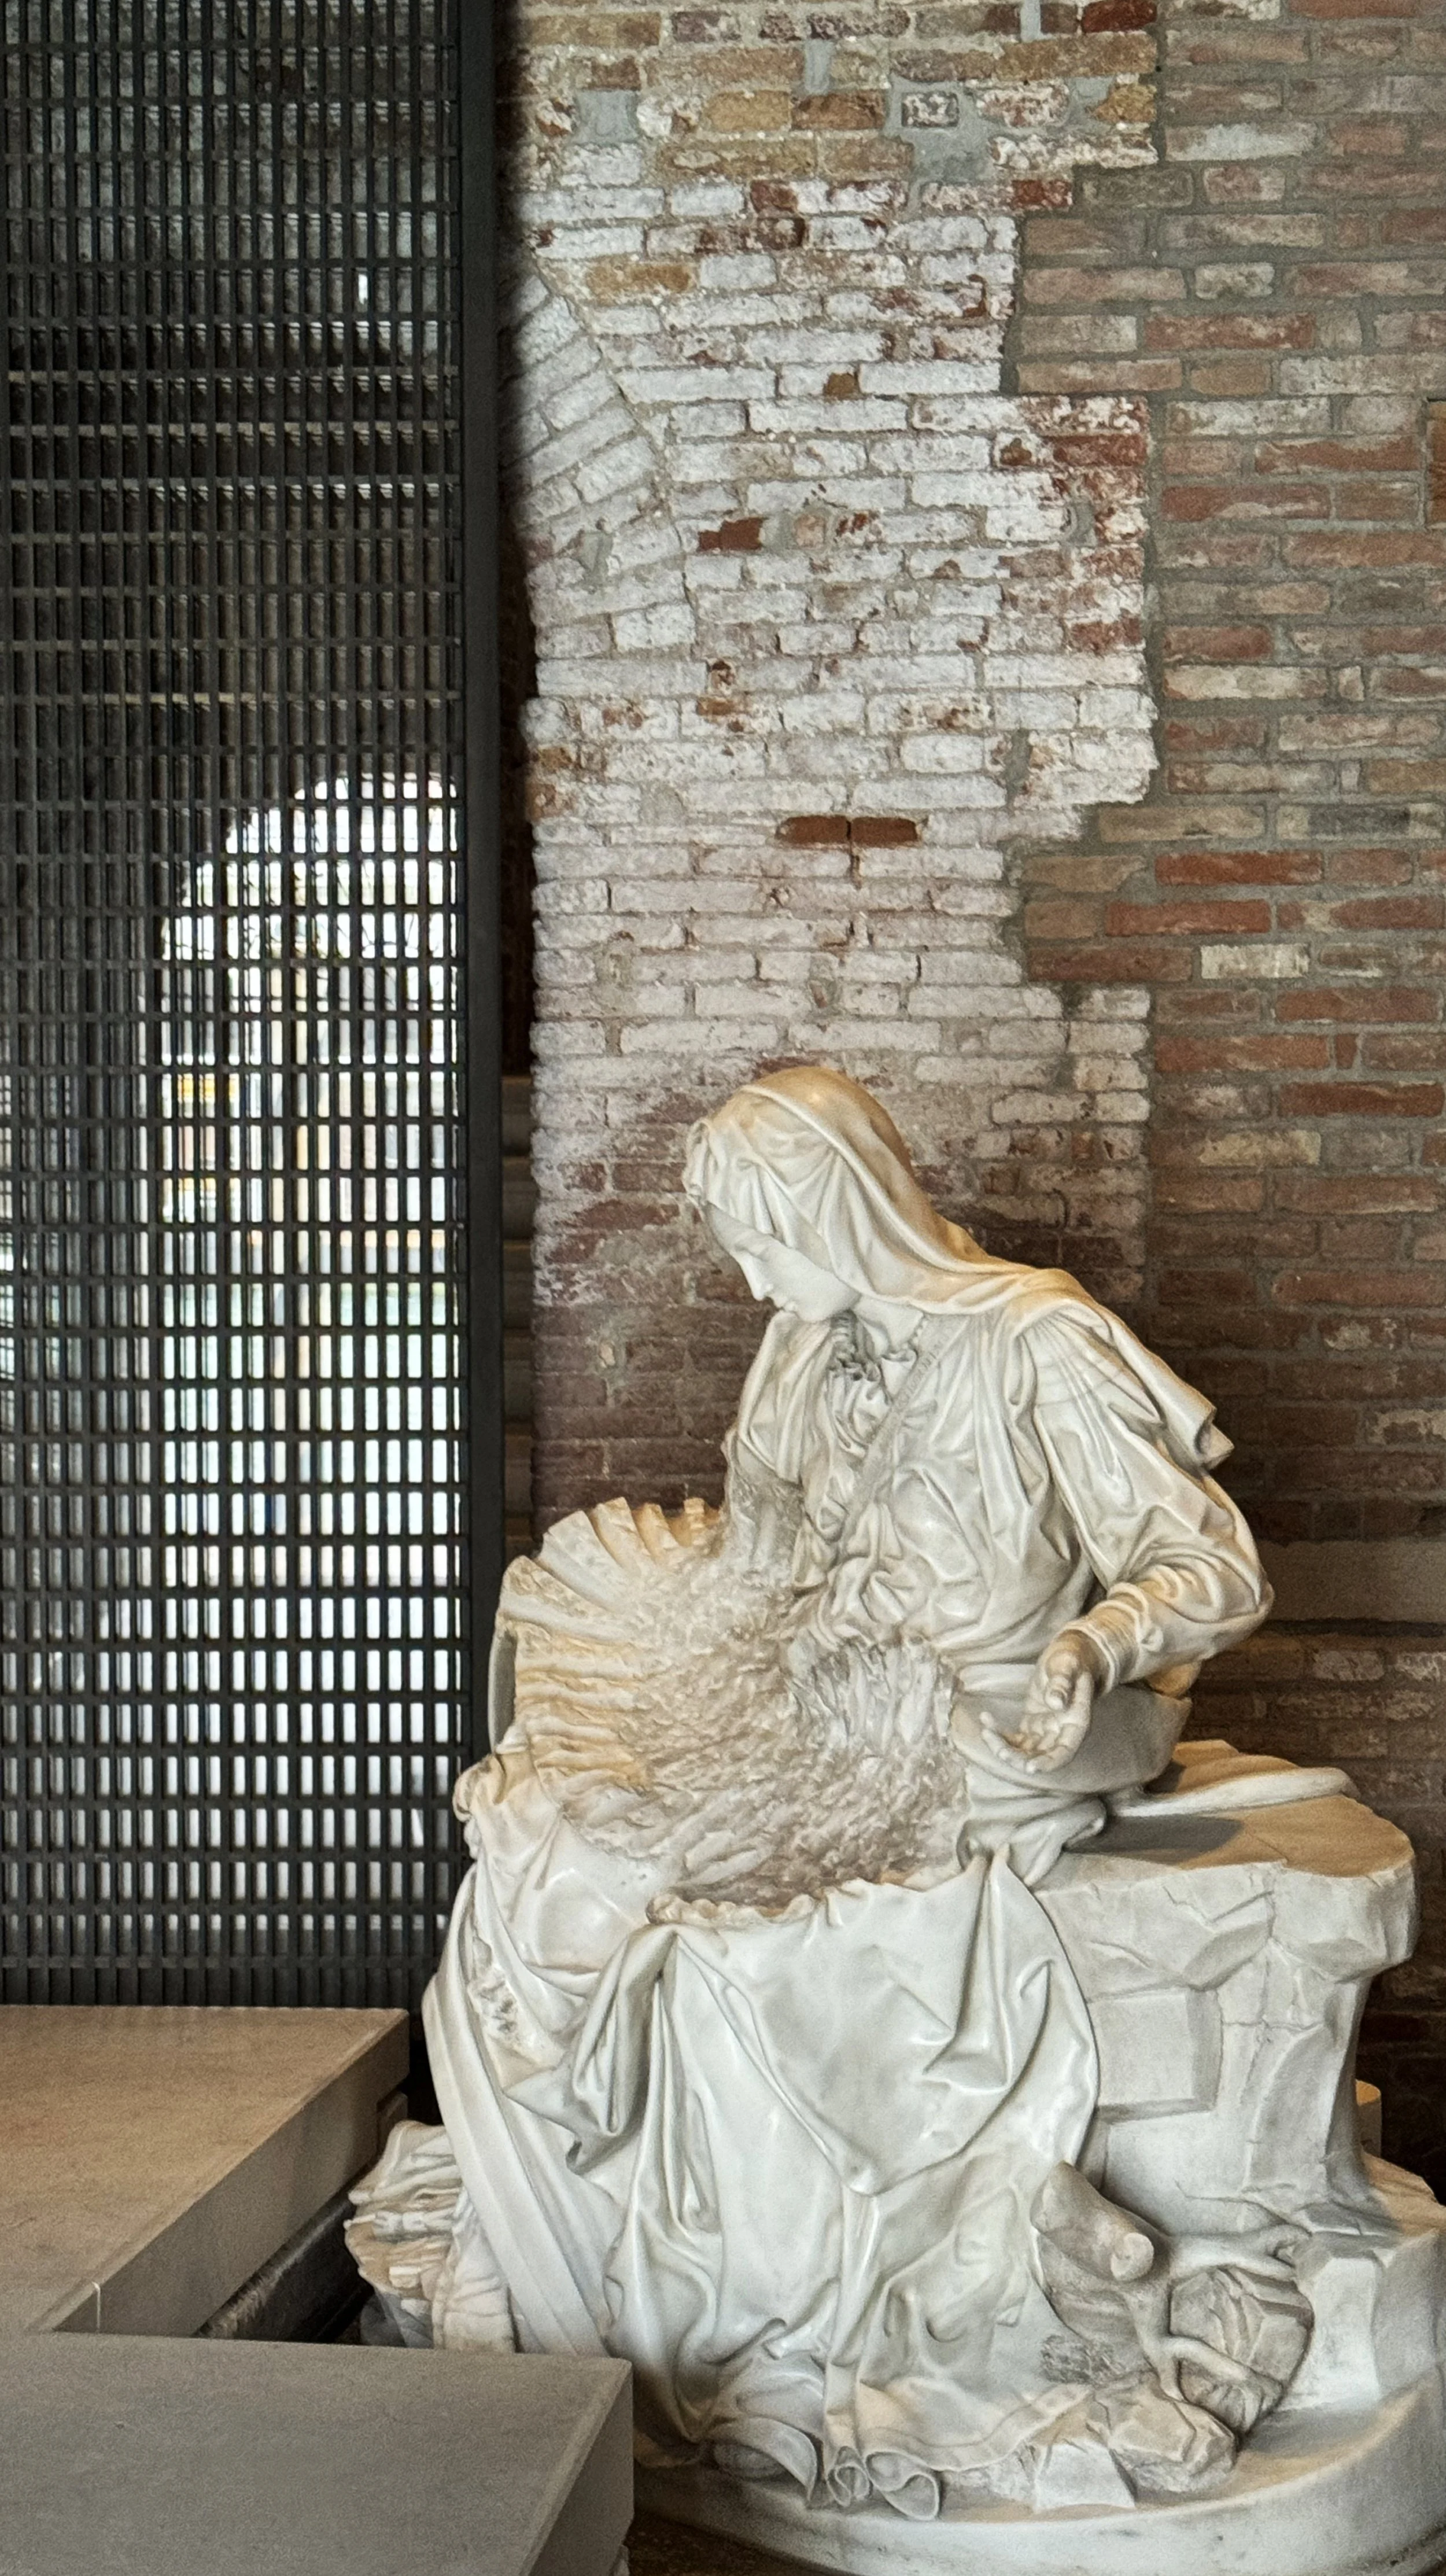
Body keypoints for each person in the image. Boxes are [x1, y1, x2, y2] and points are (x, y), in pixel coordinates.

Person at [348, 1065, 1272, 2520]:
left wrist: (1098, 1639)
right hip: (829, 1696)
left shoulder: (1036, 1339)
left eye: (757, 1240)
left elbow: (1213, 1568)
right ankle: (571, 2257)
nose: (745, 1275)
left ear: (833, 1210)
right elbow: (759, 1562)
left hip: (1017, 1713)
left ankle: (768, 2285)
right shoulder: (800, 1347)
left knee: (726, 1929)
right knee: (568, 1842)